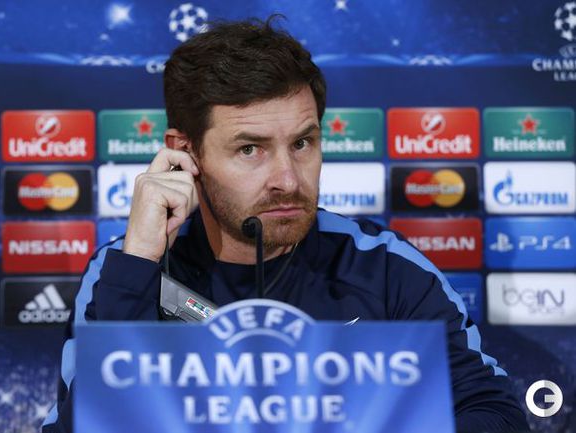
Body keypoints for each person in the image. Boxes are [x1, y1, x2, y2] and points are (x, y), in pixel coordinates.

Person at [42, 17, 530, 433]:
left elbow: (495, 413)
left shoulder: (384, 268)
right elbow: (83, 425)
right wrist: (139, 265)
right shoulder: (126, 270)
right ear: (185, 153)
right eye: (249, 149)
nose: (288, 179)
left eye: (302, 143)